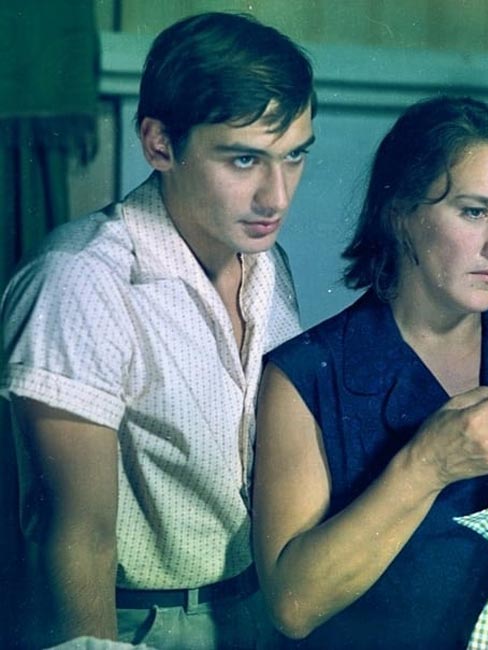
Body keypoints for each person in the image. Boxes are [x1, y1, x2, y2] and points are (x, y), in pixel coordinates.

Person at [252, 96, 488, 648]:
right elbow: (293, 607)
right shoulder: (307, 374)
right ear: (400, 213)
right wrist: (426, 466)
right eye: (474, 211)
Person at [1, 11, 316, 650]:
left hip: (257, 609)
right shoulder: (80, 280)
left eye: (294, 157)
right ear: (159, 145)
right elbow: (77, 535)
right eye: (244, 159)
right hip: (136, 625)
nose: (276, 197)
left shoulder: (267, 265)